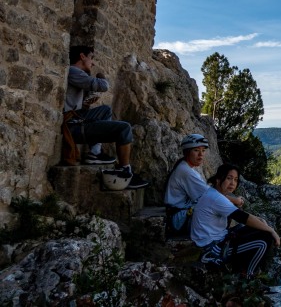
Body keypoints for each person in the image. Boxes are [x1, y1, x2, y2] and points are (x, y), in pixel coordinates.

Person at [64, 45, 149, 189]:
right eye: (91, 58)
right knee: (124, 128)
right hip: (73, 127)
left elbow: (74, 104)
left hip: (76, 120)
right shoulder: (73, 71)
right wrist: (101, 77)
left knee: (105, 110)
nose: (93, 63)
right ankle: (124, 171)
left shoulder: (76, 73)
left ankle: (95, 153)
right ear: (82, 56)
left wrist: (85, 104)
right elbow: (103, 86)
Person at [191, 163, 281, 278]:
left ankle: (243, 270)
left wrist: (261, 221)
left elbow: (242, 215)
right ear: (218, 179)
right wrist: (271, 230)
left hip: (219, 238)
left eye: (235, 179)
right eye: (229, 178)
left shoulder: (214, 193)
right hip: (211, 248)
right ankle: (247, 278)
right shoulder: (216, 198)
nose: (232, 183)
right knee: (264, 240)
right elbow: (243, 218)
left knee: (259, 228)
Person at [164, 133, 244, 236]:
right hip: (179, 219)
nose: (201, 154)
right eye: (196, 150)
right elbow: (210, 196)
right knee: (224, 204)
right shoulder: (186, 171)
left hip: (180, 215)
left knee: (223, 201)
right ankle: (219, 236)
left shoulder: (185, 167)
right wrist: (236, 200)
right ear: (187, 152)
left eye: (203, 150)